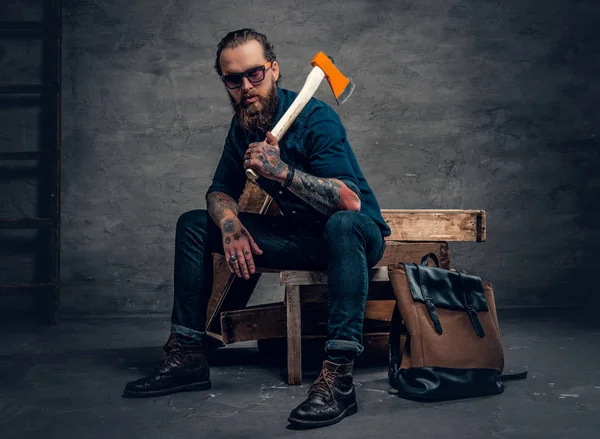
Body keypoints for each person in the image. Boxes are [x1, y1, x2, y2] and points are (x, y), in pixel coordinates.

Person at [122, 28, 391, 428]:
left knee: (343, 224)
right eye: (234, 79)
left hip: (354, 238)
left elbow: (349, 201)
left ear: (274, 70)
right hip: (300, 238)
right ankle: (189, 356)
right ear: (226, 84)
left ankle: (338, 378)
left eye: (255, 74)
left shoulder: (317, 118)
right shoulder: (244, 125)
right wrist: (230, 225)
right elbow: (218, 191)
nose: (246, 87)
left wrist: (281, 172)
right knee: (195, 224)